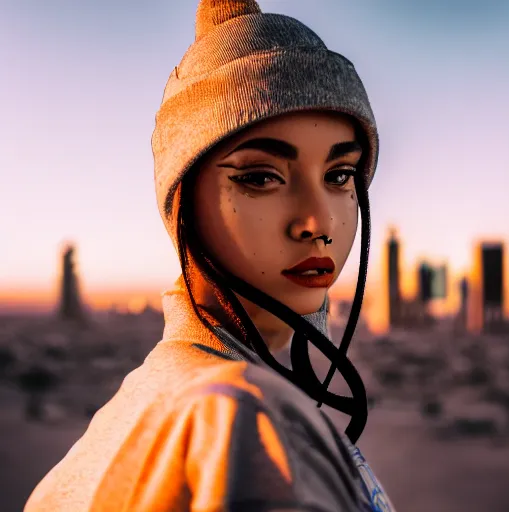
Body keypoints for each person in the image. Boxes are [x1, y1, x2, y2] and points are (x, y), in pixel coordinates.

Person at [24, 1, 396, 510]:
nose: (319, 223)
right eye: (261, 178)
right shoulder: (243, 427)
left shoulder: (125, 419)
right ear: (183, 207)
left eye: (339, 177)